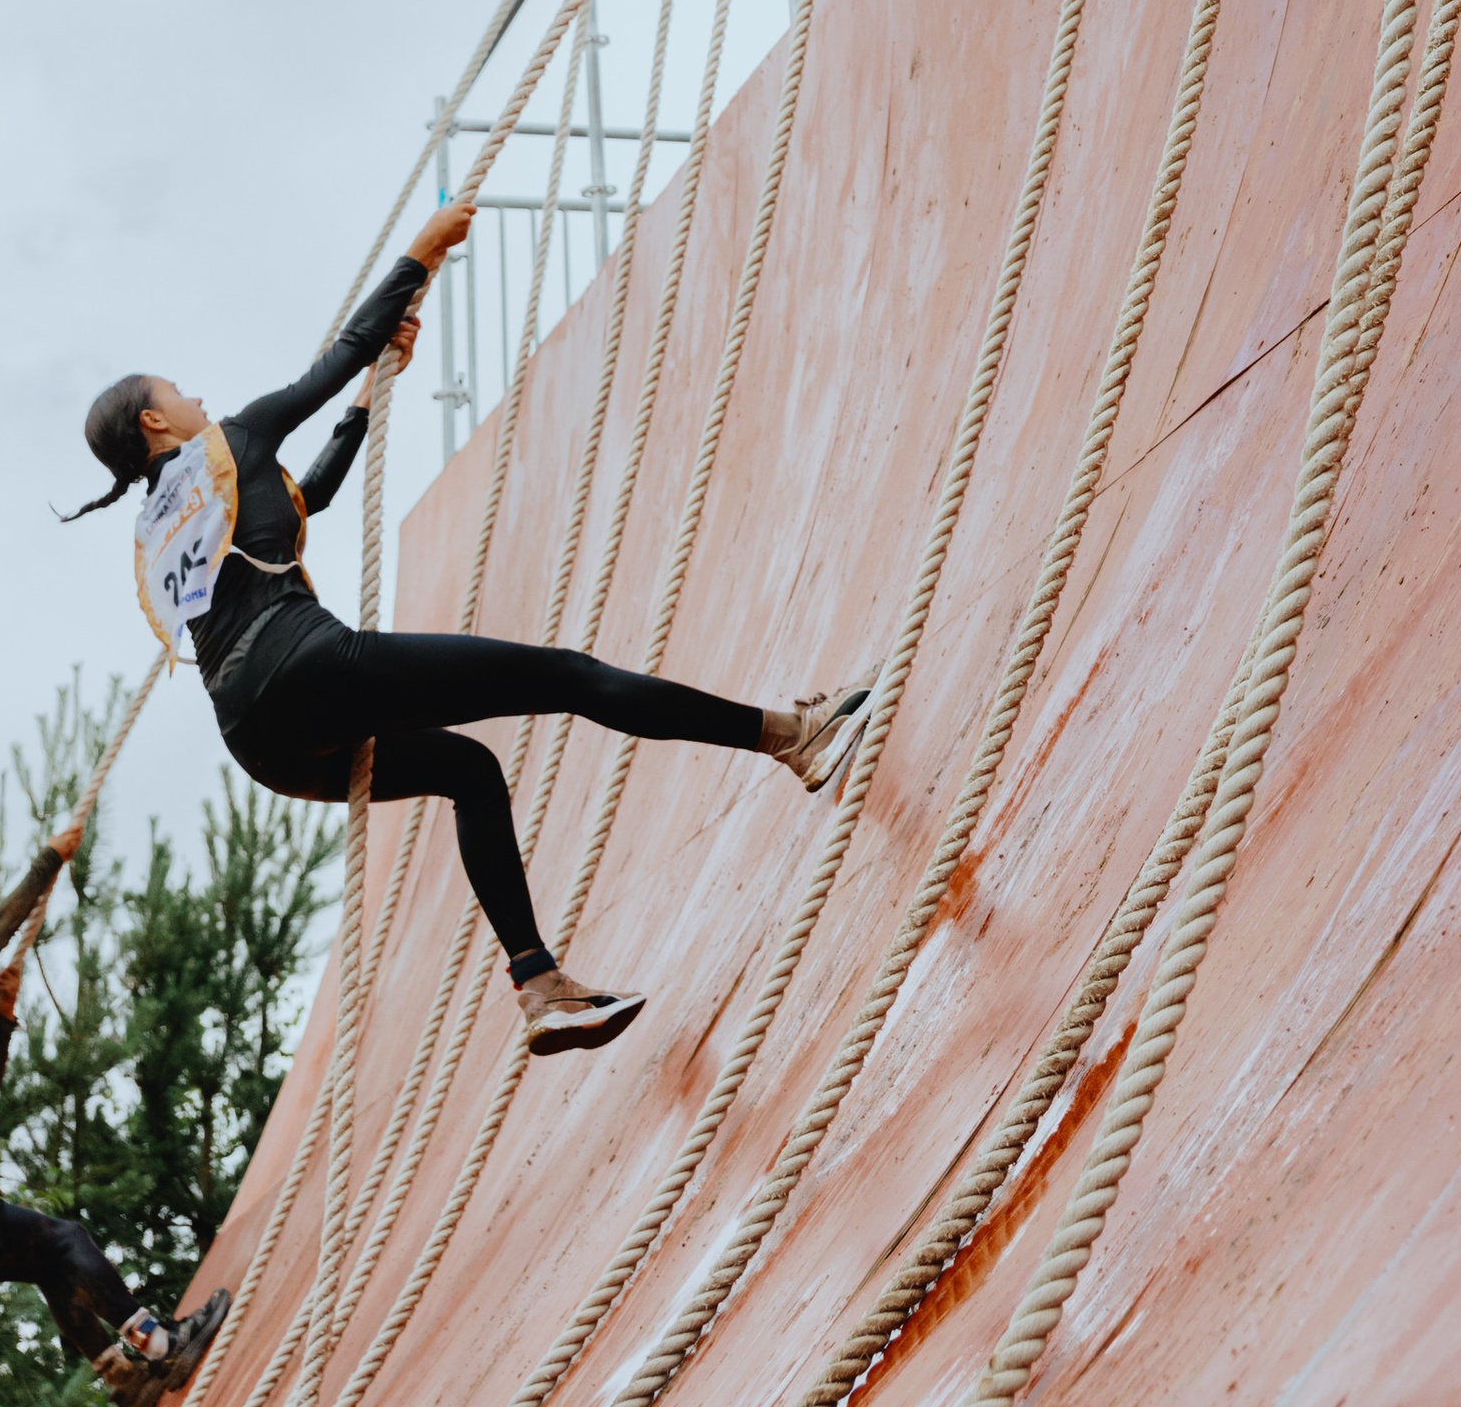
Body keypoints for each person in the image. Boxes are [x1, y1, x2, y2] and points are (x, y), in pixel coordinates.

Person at [65, 208, 873, 1061]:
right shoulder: (230, 439)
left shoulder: (159, 527)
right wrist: (424, 250)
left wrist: (370, 403)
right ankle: (792, 737)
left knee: (467, 769)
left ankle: (539, 986)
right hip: (305, 665)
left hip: (257, 740)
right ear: (156, 424)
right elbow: (338, 355)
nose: (195, 397)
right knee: (565, 675)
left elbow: (308, 499)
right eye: (176, 393)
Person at [0, 831, 228, 1407]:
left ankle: (122, 1377)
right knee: (65, 1238)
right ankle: (161, 1345)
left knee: (46, 1260)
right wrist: (47, 863)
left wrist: (2, 1022)